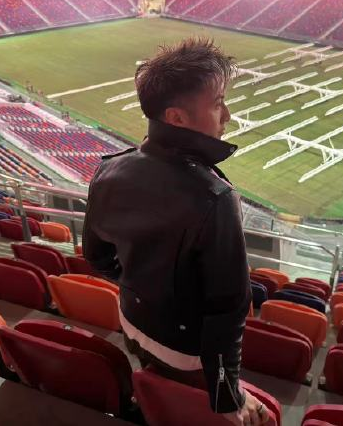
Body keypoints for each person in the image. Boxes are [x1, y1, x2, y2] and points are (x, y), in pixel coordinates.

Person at [83, 38, 269, 425]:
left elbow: (97, 258)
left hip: (131, 323)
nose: (227, 115)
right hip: (185, 352)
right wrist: (229, 396)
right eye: (218, 103)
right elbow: (228, 311)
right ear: (177, 117)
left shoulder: (108, 169)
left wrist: (143, 287)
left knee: (158, 398)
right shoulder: (214, 197)